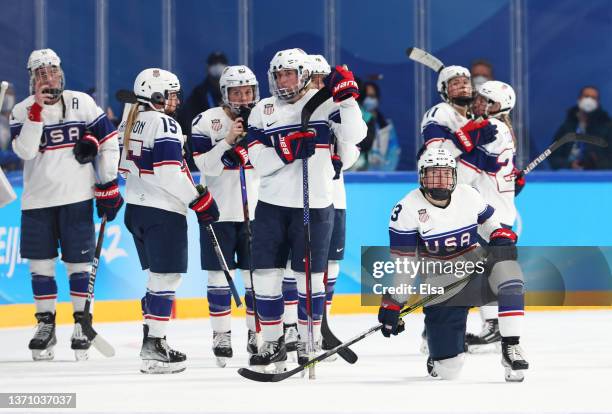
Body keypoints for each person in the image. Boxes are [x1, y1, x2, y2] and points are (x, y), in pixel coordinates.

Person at [246, 48, 366, 372]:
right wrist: (286, 152)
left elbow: (356, 137)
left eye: (289, 73)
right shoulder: (262, 110)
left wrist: (349, 100)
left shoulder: (325, 104)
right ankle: (272, 343)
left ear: (302, 74)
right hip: (271, 206)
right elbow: (257, 161)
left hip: (314, 206)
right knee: (267, 277)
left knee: (310, 280)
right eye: (279, 74)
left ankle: (308, 340)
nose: (284, 80)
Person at [10, 48, 123, 361]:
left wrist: (108, 182)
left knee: (79, 265)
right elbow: (26, 152)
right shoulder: (21, 110)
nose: (48, 77)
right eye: (40, 74)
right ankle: (45, 325)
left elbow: (109, 139)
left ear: (60, 72)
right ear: (32, 79)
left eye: (52, 71)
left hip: (77, 198)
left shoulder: (81, 103)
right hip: (37, 201)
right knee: (41, 266)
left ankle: (80, 323)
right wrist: (35, 117)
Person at [379, 147, 529, 382]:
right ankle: (439, 353)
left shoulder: (469, 195)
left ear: (455, 176)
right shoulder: (406, 210)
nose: (440, 181)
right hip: (442, 288)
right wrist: (394, 302)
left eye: (445, 174)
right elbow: (405, 266)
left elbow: (489, 224)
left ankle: (511, 346)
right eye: (432, 175)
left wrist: (498, 235)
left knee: (508, 270)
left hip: (475, 273)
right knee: (450, 370)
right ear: (421, 177)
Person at [118, 68, 220, 374]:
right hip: (162, 212)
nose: (176, 99)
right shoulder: (164, 122)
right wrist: (198, 199)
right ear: (157, 96)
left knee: (156, 279)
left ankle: (152, 342)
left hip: (136, 208)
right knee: (166, 279)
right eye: (172, 94)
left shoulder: (131, 119)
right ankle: (155, 344)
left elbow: (123, 168)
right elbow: (168, 173)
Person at [281, 54, 361, 357]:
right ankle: (291, 324)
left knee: (330, 264)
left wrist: (339, 152)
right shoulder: (289, 109)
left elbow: (352, 153)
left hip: (333, 196)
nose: (318, 85)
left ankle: (320, 323)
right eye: (313, 78)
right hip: (299, 198)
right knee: (295, 264)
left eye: (322, 79)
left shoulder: (334, 107)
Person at [191, 65, 260, 367]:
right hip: (218, 214)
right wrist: (228, 142)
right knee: (218, 277)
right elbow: (206, 167)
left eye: (248, 91)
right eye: (236, 92)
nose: (243, 98)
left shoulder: (263, 119)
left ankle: (256, 332)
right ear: (224, 94)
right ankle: (221, 335)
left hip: (255, 214)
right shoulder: (205, 121)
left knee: (257, 279)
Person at [458, 80, 522, 350]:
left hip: (488, 214)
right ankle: (494, 326)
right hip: (500, 209)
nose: (481, 104)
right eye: (481, 98)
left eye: (488, 101)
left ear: (501, 106)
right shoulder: (504, 128)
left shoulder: (492, 127)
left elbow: (466, 174)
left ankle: (494, 327)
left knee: (483, 273)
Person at [549, 86, 612, 170]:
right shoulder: (567, 127)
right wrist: (570, 165)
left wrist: (597, 162)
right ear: (579, 99)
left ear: (598, 103)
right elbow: (553, 157)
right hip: (569, 176)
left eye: (593, 98)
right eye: (586, 96)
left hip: (597, 177)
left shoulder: (607, 128)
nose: (589, 100)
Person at [177, 52, 229, 138]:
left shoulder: (233, 92)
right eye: (214, 63)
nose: (218, 66)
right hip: (206, 138)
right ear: (207, 67)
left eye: (221, 63)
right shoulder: (198, 93)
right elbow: (188, 120)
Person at [0, 82, 21, 170]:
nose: (7, 97)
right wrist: (17, 157)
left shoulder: (16, 120)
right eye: (5, 93)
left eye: (10, 93)